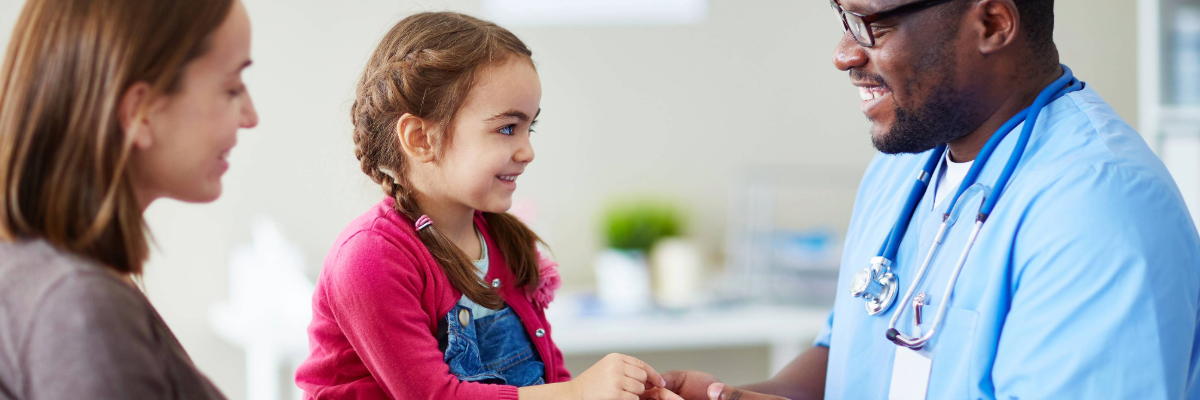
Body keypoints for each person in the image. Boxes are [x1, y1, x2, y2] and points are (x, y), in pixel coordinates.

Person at [664, 0, 1200, 399]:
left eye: (872, 24)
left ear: (992, 23)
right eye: (841, 17)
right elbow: (849, 351)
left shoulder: (1097, 208)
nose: (844, 54)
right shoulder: (901, 168)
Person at [293, 12, 681, 400]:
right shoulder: (371, 259)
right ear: (420, 138)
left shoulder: (504, 240)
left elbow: (548, 379)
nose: (527, 151)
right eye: (507, 128)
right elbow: (435, 397)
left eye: (531, 128)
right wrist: (579, 392)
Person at [0, 0, 259, 398]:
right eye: (232, 88)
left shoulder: (42, 277)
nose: (250, 115)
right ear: (140, 111)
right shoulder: (79, 310)